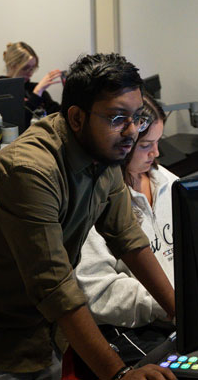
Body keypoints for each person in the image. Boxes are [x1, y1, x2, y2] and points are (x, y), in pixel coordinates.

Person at [0, 53, 176, 380]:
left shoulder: (103, 152)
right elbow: (55, 286)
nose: (131, 132)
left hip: (40, 330)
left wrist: (181, 314)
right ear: (76, 118)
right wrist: (119, 375)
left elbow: (129, 240)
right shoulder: (30, 171)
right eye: (118, 118)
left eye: (137, 118)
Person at [76, 94, 178, 328]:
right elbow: (99, 290)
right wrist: (165, 303)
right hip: (142, 330)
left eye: (158, 142)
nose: (156, 153)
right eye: (145, 145)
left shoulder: (169, 182)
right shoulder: (95, 202)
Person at [0, 41, 64, 127]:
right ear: (12, 65)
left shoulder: (33, 88)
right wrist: (38, 92)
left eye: (32, 68)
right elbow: (16, 122)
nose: (30, 73)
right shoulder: (0, 88)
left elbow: (57, 115)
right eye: (25, 68)